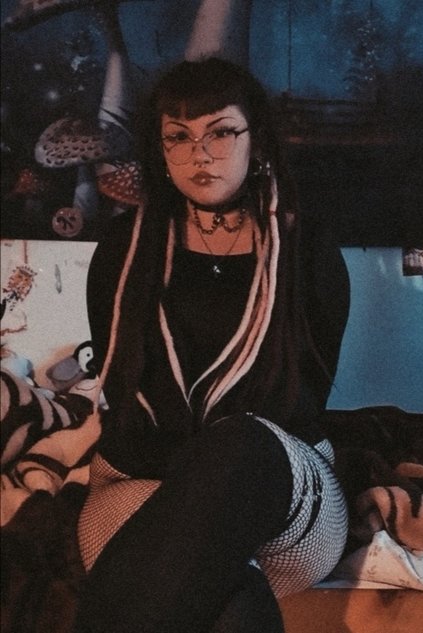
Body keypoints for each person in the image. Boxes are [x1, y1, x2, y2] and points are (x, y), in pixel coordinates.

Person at [75, 57, 350, 633]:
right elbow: (122, 393)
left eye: (220, 132)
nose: (200, 154)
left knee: (241, 442)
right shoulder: (124, 249)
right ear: (160, 150)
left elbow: (305, 400)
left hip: (281, 493)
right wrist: (194, 487)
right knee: (227, 601)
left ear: (257, 142)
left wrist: (211, 462)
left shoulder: (305, 248)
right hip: (141, 481)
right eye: (179, 137)